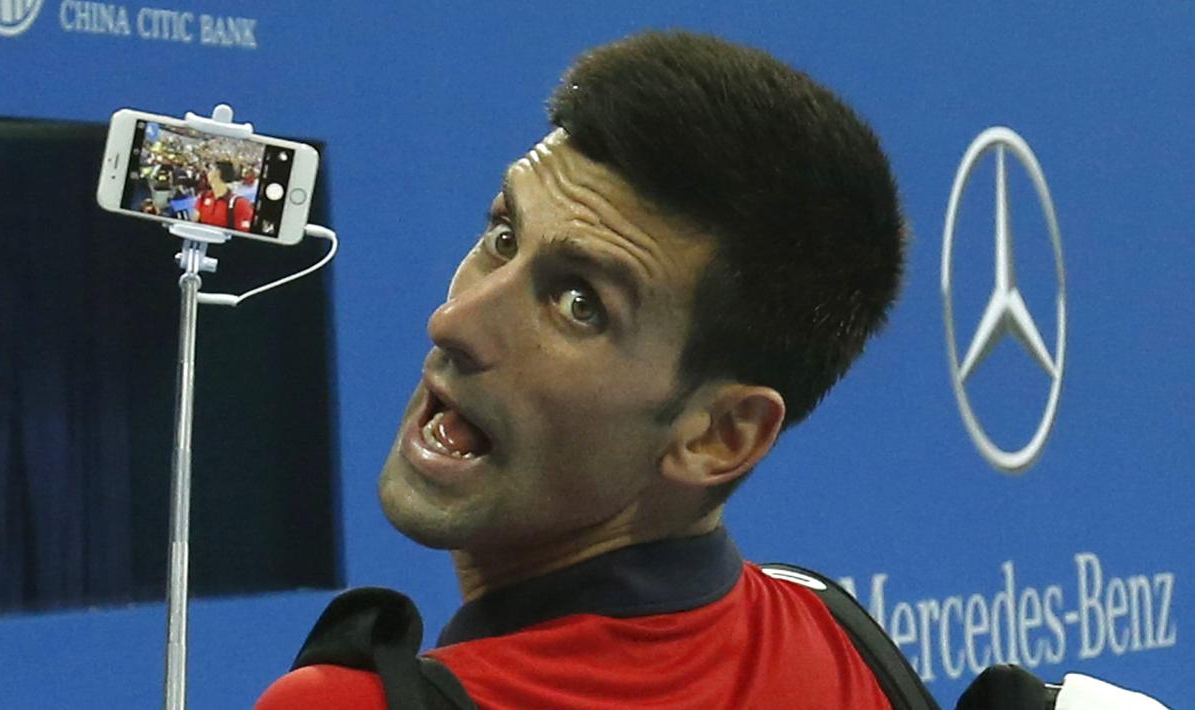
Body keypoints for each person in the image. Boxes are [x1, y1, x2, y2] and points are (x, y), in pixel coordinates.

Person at [258, 30, 905, 708]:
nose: (454, 322)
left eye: (578, 304)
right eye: (504, 237)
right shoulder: (842, 645)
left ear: (720, 436)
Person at [195, 160, 254, 231]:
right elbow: (193, 222)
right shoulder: (203, 196)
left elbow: (244, 235)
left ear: (217, 173)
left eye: (210, 170)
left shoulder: (240, 203)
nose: (207, 173)